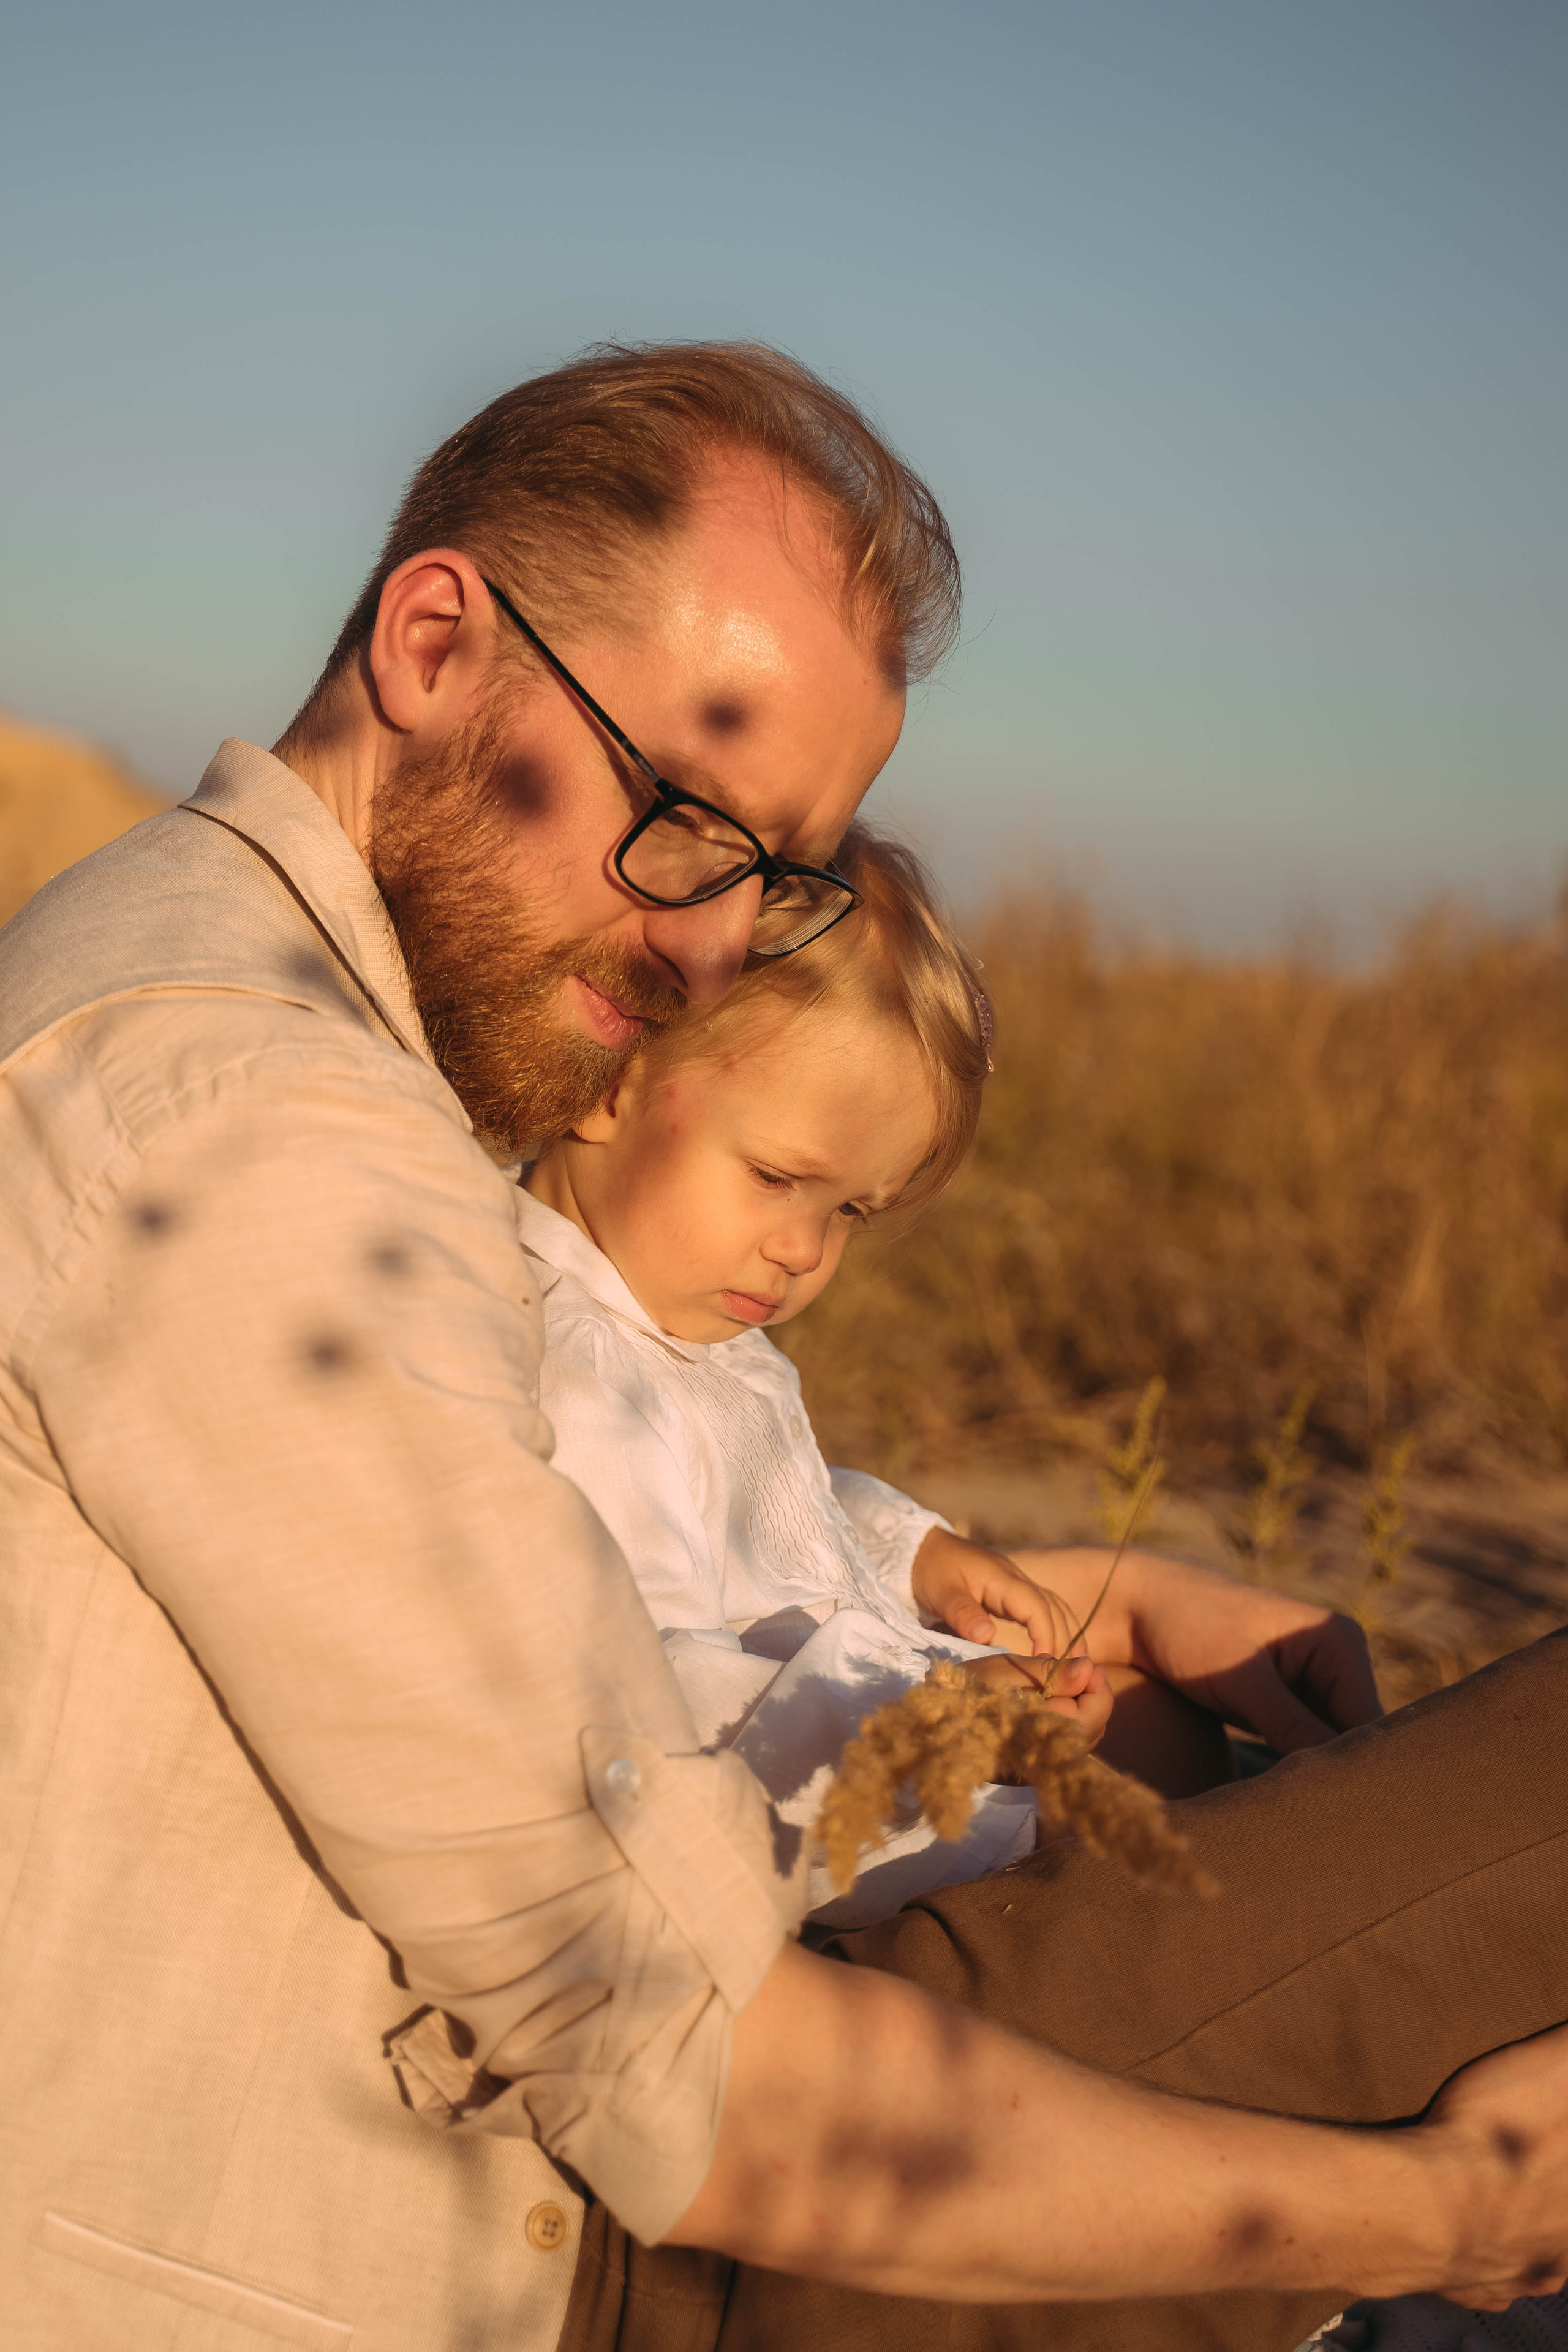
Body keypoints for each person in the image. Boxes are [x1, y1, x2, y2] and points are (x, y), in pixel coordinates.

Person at [0, 342, 1564, 2352]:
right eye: (687, 817)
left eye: (785, 873)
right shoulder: (253, 1123)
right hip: (598, 2255)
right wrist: (1431, 2212)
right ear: (432, 641)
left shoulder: (188, 990)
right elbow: (688, 2077)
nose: (717, 947)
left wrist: (1053, 1603)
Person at [520, 824, 1118, 1931]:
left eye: (847, 1210)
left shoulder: (687, 1325)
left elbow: (770, 1528)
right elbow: (654, 1690)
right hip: (820, 1894)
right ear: (608, 1077)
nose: (806, 1249)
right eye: (776, 1177)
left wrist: (911, 1553)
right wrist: (929, 1715)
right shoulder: (582, 1373)